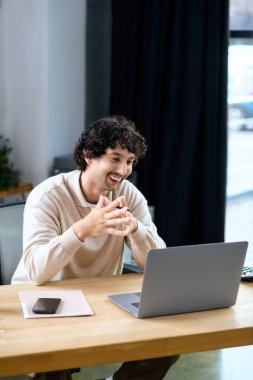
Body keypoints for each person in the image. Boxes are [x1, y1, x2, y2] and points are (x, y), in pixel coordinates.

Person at [12, 115, 179, 379]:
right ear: (89, 155)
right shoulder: (47, 196)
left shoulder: (129, 195)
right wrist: (83, 229)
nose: (124, 170)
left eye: (130, 161)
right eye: (115, 158)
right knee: (49, 365)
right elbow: (36, 272)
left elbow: (158, 263)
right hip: (44, 301)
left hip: (101, 299)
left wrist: (135, 229)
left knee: (165, 345)